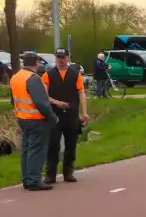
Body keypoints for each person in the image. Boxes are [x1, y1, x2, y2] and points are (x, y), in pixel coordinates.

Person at [8, 52, 58, 190]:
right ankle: (34, 180)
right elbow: (42, 103)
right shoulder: (33, 78)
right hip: (36, 119)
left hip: (22, 118)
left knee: (26, 149)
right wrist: (53, 117)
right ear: (36, 63)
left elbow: (14, 100)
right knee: (37, 150)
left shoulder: (15, 77)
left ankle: (26, 179)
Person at [42, 48, 89, 183]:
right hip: (55, 115)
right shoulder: (48, 74)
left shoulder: (75, 75)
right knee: (53, 145)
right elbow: (44, 96)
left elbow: (81, 93)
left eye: (63, 58)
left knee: (71, 145)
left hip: (71, 114)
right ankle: (50, 174)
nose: (61, 61)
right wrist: (57, 103)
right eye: (58, 57)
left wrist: (84, 112)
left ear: (68, 58)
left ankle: (68, 172)